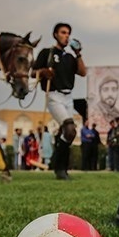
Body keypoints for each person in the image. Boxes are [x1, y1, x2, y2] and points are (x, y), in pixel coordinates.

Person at [32, 22, 87, 180]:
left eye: (68, 33)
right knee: (69, 128)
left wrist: (78, 54)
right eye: (63, 33)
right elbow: (32, 72)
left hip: (68, 96)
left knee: (69, 134)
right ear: (55, 34)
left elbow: (83, 72)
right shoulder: (47, 53)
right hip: (54, 95)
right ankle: (61, 169)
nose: (66, 36)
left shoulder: (69, 57)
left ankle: (58, 164)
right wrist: (43, 72)